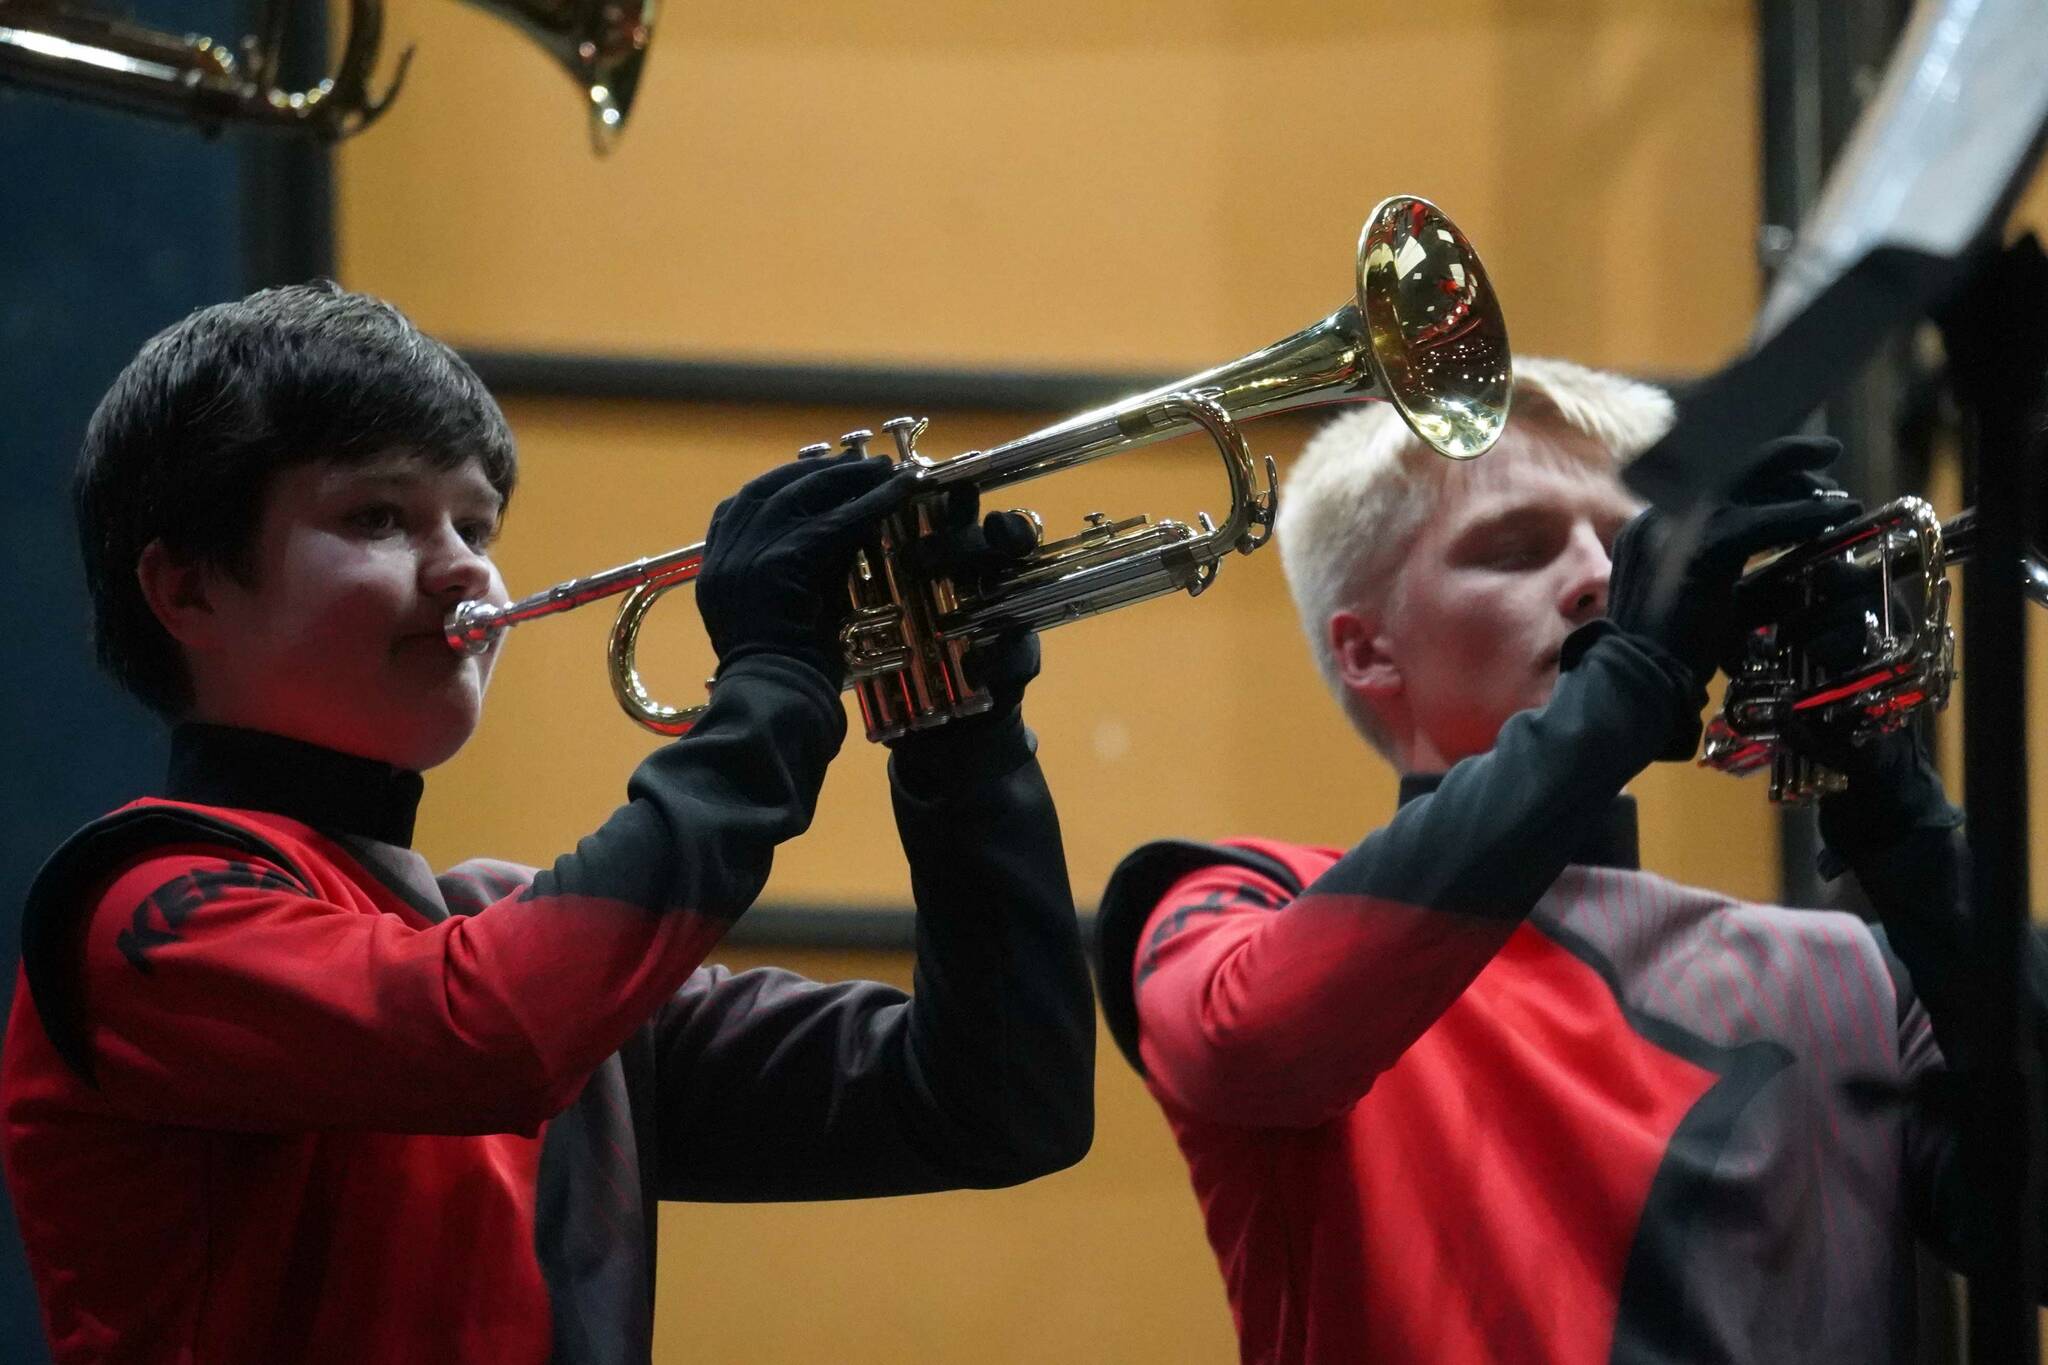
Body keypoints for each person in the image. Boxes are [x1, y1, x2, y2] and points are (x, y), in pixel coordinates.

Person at [0, 282, 1094, 1364]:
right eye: (377, 516)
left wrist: (961, 736)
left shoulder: (504, 936)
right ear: (186, 590)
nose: (465, 567)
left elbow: (995, 1105)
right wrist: (769, 690)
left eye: (475, 523)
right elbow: (485, 1032)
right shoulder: (138, 908)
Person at [1093, 356, 2020, 1362]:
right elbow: (1251, 1048)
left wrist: (1897, 813)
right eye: (1515, 549)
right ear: (1366, 651)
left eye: (1629, 551)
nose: (1591, 580)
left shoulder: (1853, 974)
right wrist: (1624, 684)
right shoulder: (1242, 904)